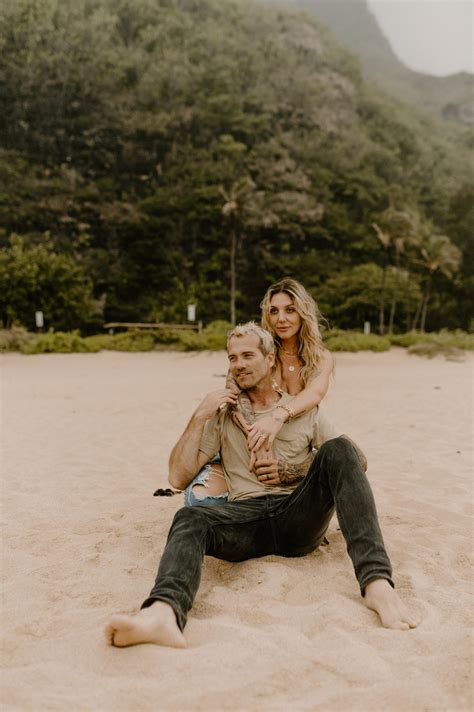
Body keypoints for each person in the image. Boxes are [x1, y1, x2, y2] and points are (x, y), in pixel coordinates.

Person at [105, 323, 419, 648]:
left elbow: (357, 460)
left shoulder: (300, 409)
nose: (238, 364)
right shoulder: (223, 415)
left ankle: (377, 583)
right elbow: (177, 477)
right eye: (232, 358)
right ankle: (163, 612)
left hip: (297, 516)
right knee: (189, 518)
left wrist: (291, 469)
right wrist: (199, 415)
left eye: (247, 355)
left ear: (270, 359)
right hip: (246, 520)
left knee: (339, 447)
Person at [185, 278, 334, 506]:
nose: (281, 319)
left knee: (332, 463)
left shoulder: (320, 358)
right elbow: (233, 390)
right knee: (199, 501)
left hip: (295, 447)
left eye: (290, 310)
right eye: (274, 311)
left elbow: (315, 394)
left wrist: (278, 416)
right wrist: (257, 443)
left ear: (303, 313)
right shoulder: (258, 349)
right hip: (245, 446)